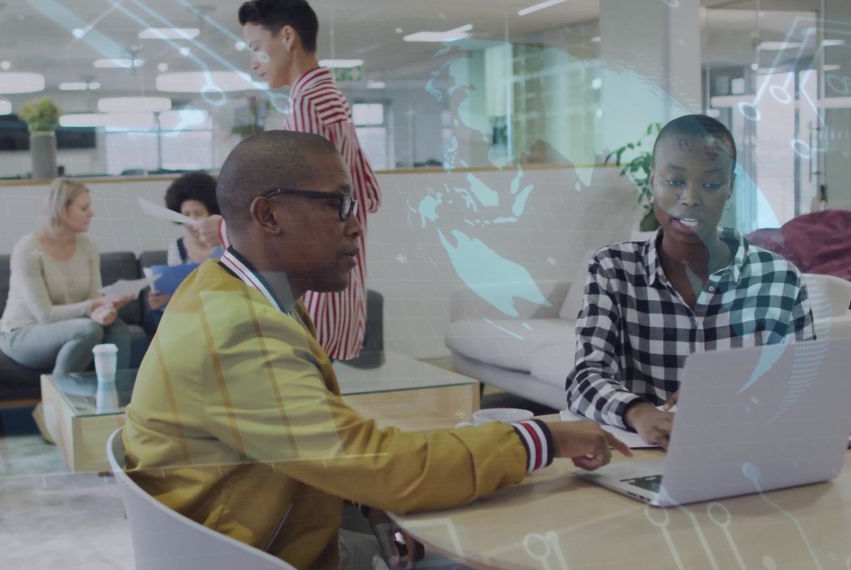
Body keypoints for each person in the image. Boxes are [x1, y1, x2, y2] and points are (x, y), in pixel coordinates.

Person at [123, 131, 630, 570]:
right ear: (269, 214)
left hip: (264, 535)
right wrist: (542, 436)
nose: (356, 225)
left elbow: (334, 449)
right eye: (337, 204)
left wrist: (367, 502)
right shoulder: (237, 331)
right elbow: (386, 468)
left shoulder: (229, 291)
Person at [565, 115, 815, 449]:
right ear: (653, 180)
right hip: (647, 460)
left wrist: (741, 389)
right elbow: (584, 378)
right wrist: (639, 413)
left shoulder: (779, 280)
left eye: (710, 185)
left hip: (749, 458)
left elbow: (809, 386)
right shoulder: (613, 270)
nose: (690, 198)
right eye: (674, 181)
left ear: (731, 187)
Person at [196, 0, 381, 361]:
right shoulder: (329, 98)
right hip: (336, 271)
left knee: (306, 388)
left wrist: (225, 230)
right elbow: (365, 194)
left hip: (313, 279)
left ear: (287, 36)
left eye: (257, 49)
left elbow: (302, 209)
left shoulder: (307, 104)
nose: (254, 63)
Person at [0, 178, 133, 379]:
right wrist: (93, 307)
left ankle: (113, 400)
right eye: (84, 208)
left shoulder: (87, 246)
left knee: (118, 329)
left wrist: (106, 310)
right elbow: (45, 315)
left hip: (73, 326)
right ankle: (56, 402)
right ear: (61, 210)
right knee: (88, 330)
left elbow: (93, 297)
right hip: (24, 332)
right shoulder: (30, 249)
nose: (92, 213)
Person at [145, 172, 224, 314]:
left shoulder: (226, 243)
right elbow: (178, 293)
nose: (191, 220)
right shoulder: (176, 248)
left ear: (211, 213)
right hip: (190, 312)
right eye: (185, 215)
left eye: (198, 213)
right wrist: (162, 301)